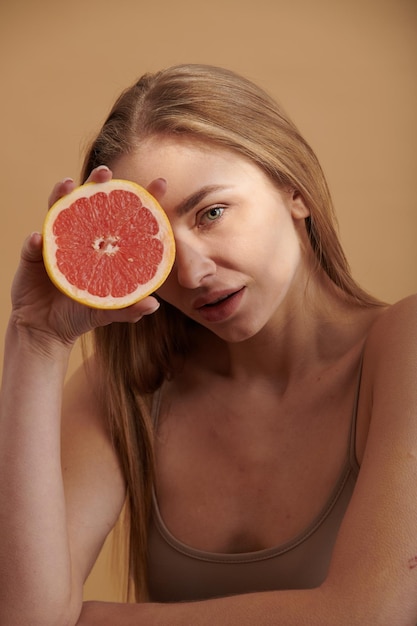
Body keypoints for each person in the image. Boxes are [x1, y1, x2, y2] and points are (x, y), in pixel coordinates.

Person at [0, 63, 416, 626]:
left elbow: (373, 615)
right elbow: (22, 617)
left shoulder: (403, 346)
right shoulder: (126, 390)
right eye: (161, 245)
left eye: (212, 212)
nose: (192, 273)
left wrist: (82, 619)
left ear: (294, 190)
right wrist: (36, 339)